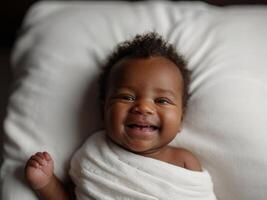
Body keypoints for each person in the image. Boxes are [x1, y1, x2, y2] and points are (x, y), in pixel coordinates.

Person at [25, 32, 204, 200]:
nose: (143, 107)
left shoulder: (184, 161)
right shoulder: (95, 154)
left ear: (181, 118)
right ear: (104, 111)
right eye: (127, 97)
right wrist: (45, 183)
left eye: (162, 100)